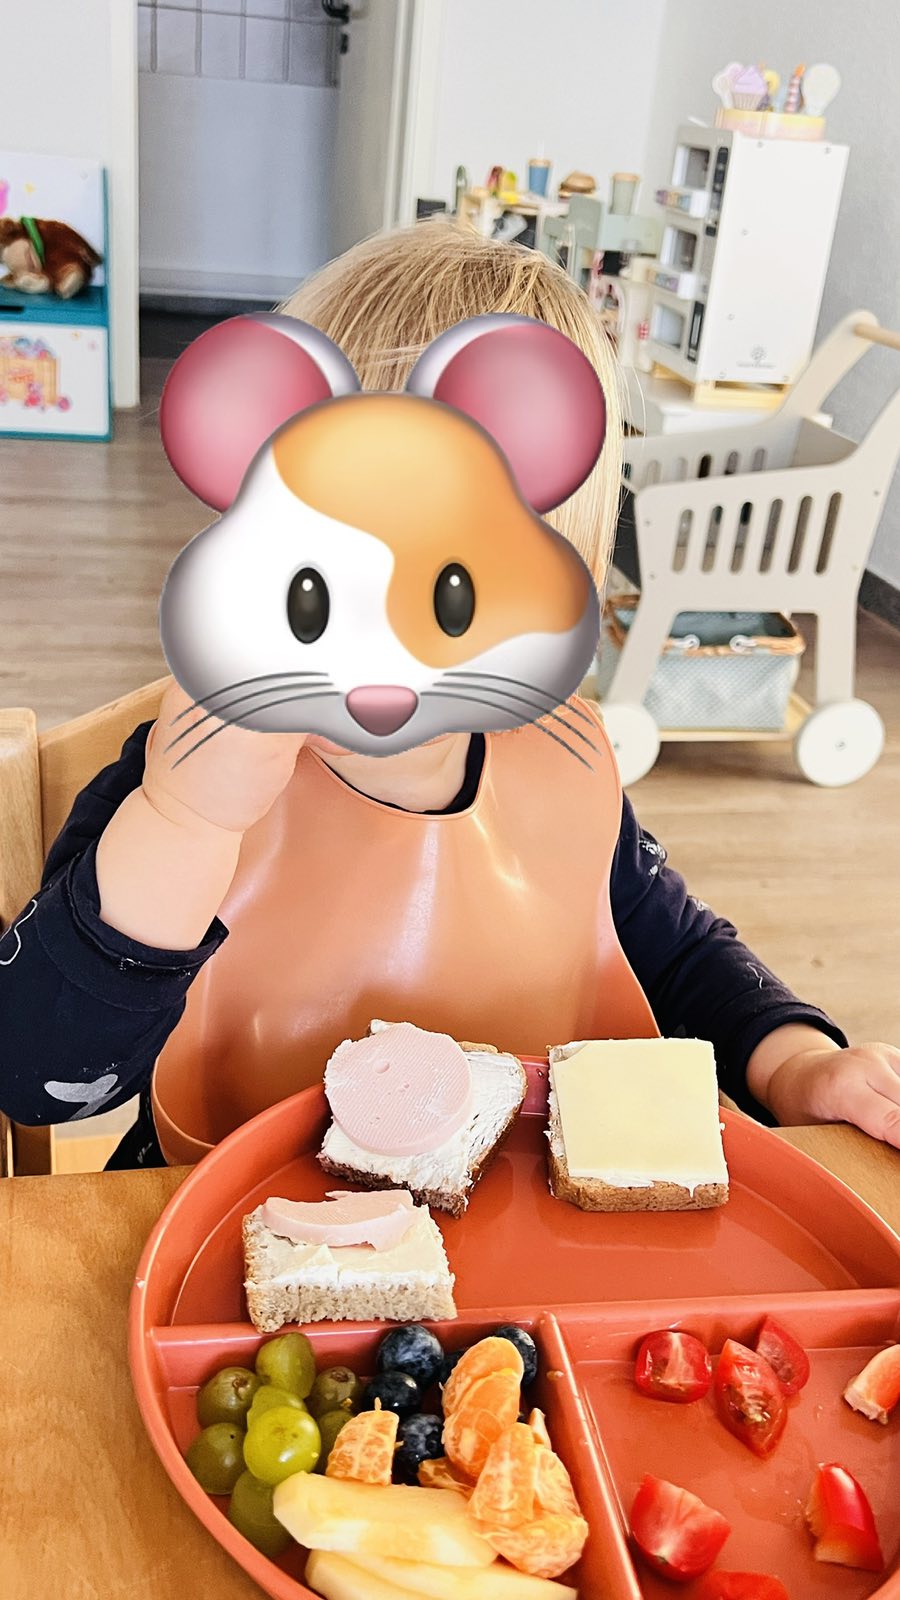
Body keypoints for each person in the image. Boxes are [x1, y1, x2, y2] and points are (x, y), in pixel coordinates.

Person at [1, 222, 898, 1168]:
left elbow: (679, 956)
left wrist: (797, 1063)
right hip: (220, 1225)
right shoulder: (179, 776)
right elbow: (39, 1074)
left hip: (519, 1231)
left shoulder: (560, 764)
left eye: (450, 599)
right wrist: (184, 825)